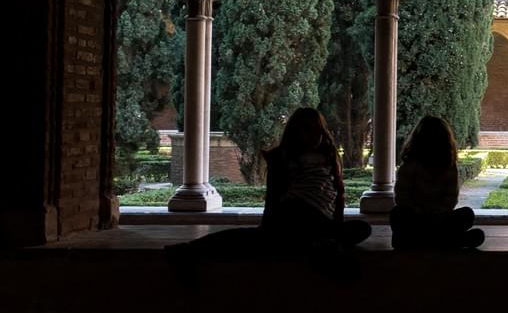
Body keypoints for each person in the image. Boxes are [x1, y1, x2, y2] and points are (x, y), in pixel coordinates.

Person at [165, 108, 372, 270]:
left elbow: (338, 194)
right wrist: (269, 226)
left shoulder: (329, 157)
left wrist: (334, 227)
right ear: (295, 133)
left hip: (318, 222)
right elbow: (274, 196)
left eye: (315, 129)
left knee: (361, 229)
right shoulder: (284, 158)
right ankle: (318, 246)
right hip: (293, 213)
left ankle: (317, 243)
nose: (311, 135)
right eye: (305, 130)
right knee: (256, 239)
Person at [389, 116, 485, 250]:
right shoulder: (410, 165)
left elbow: (450, 199)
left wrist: (436, 214)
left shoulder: (449, 166)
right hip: (417, 218)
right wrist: (421, 213)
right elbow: (402, 197)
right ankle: (445, 241)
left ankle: (419, 241)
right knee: (398, 213)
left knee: (467, 214)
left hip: (437, 220)